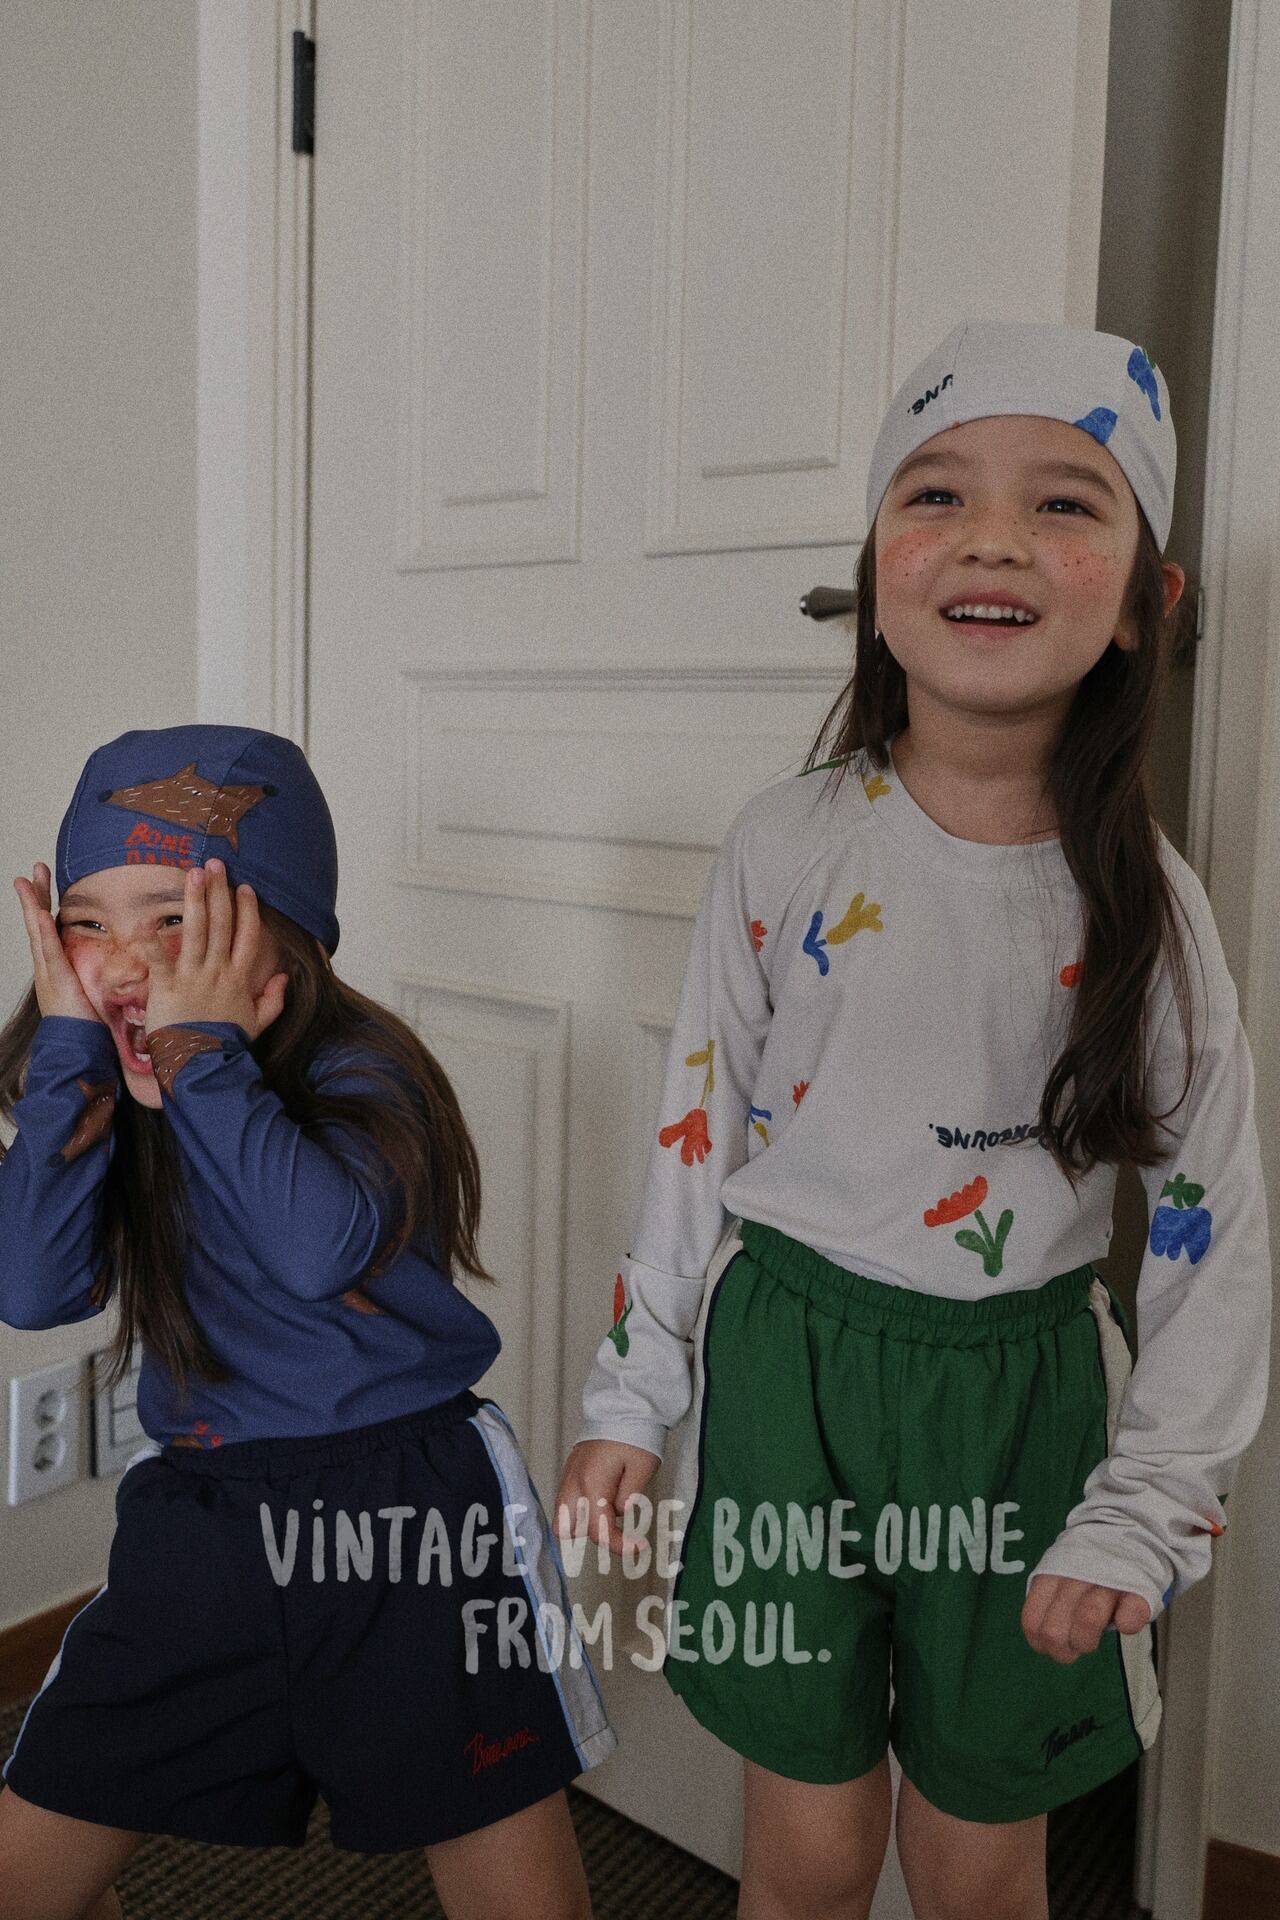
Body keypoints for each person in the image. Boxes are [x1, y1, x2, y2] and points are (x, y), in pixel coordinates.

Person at [555, 320, 1271, 1920]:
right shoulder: (783, 844)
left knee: (974, 1861)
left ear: (1146, 602)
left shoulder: (1155, 912)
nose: (993, 537)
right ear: (878, 567)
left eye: (1065, 502)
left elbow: (1215, 1231)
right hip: (787, 1381)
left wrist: (1147, 1509)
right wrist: (634, 1391)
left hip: (1021, 1409)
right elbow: (696, 1138)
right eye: (936, 492)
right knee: (808, 1850)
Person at [0, 723, 614, 1920]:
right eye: (86, 923)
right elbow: (33, 1290)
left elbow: (312, 1249)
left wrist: (200, 1056)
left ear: (280, 932)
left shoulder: (362, 1074)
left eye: (172, 919)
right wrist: (72, 1053)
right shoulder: (99, 1081)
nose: (124, 962)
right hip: (204, 1517)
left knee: (511, 1880)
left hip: (405, 1516)